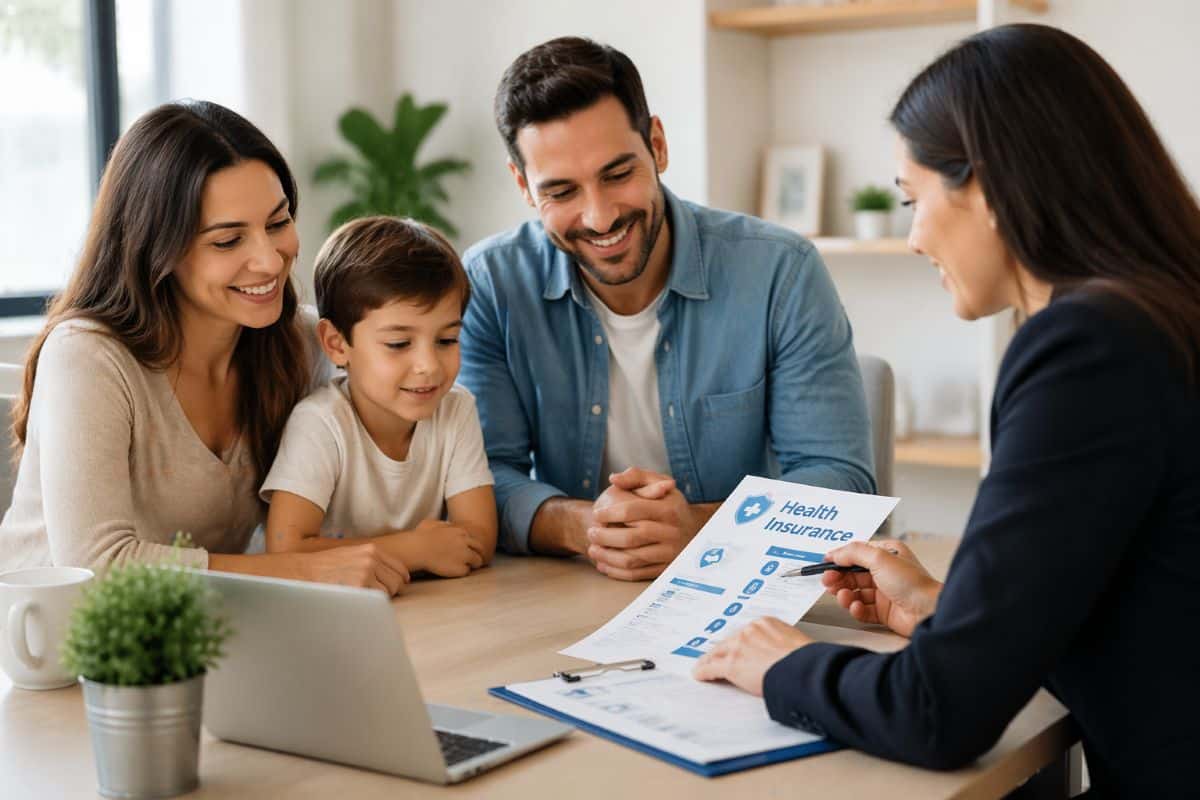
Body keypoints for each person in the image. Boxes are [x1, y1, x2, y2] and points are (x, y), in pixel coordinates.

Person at [693, 24, 1200, 797]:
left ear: (989, 188)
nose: (913, 236)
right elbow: (1148, 612)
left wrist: (783, 666)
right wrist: (947, 614)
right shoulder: (1160, 314)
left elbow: (938, 712)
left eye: (914, 198)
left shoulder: (1088, 348)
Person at [460, 36, 875, 581]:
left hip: (739, 586)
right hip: (569, 589)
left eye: (617, 174)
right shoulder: (490, 283)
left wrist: (698, 529)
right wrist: (589, 527)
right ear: (523, 185)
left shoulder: (780, 271)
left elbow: (839, 478)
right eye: (561, 192)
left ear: (656, 144)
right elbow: (484, 477)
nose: (600, 216)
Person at [0, 101, 409, 595]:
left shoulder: (299, 343)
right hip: (49, 650)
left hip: (203, 637)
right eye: (227, 241)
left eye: (277, 223)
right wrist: (302, 570)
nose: (269, 259)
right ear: (159, 249)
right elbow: (98, 567)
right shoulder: (87, 356)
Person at [261, 216, 497, 578]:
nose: (428, 366)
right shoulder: (320, 423)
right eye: (399, 344)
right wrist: (413, 550)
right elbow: (285, 550)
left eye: (447, 340)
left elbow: (480, 537)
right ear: (337, 345)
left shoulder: (456, 409)